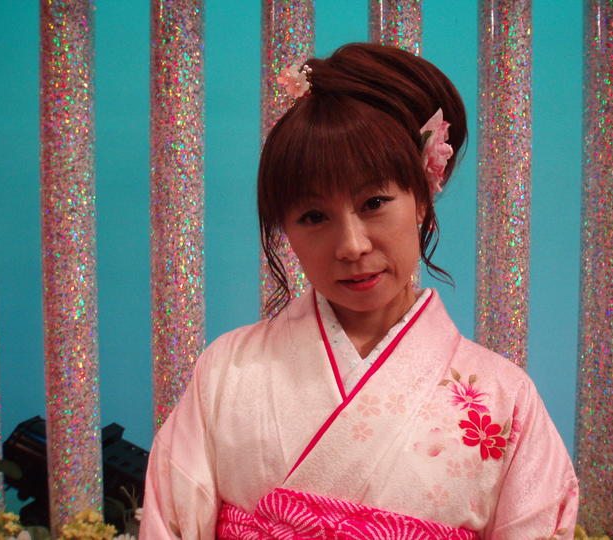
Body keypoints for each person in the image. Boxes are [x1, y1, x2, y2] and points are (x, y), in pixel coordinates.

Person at [140, 43, 578, 540]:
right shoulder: (226, 372)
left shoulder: (504, 399)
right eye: (314, 216)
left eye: (374, 202)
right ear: (286, 229)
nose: (351, 245)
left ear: (421, 199)